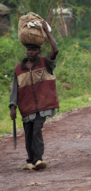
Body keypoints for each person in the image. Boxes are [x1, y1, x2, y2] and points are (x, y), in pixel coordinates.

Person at [9, 21, 59, 171]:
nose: (30, 52)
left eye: (33, 50)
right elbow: (14, 90)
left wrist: (47, 32)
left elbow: (55, 50)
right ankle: (31, 160)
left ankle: (38, 159)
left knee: (37, 129)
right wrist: (12, 106)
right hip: (26, 107)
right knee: (28, 132)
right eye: (28, 50)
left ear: (39, 51)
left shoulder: (45, 62)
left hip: (42, 105)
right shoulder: (19, 69)